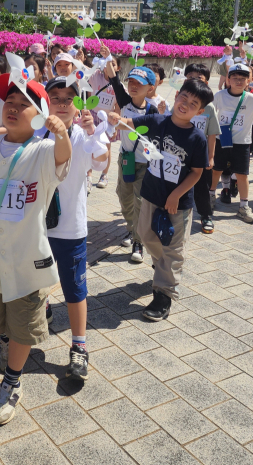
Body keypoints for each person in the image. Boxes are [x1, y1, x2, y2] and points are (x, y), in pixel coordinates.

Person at [0, 72, 72, 425]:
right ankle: (6, 339)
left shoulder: (42, 152)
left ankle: (12, 381)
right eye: (9, 102)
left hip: (28, 259)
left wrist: (63, 133)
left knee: (24, 323)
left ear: (39, 114)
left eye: (25, 105)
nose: (14, 108)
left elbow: (62, 159)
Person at [108, 78, 213, 321]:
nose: (185, 105)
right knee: (145, 235)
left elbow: (197, 172)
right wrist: (116, 119)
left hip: (178, 204)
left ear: (200, 111)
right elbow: (129, 124)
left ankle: (164, 294)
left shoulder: (196, 138)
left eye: (193, 103)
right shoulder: (157, 121)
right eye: (183, 98)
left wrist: (176, 194)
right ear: (176, 96)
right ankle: (161, 264)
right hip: (151, 196)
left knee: (173, 250)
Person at [44, 76, 108, 381]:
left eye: (67, 99)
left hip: (70, 228)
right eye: (54, 97)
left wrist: (93, 132)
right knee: (36, 282)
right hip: (37, 228)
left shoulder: (84, 136)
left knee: (74, 288)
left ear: (77, 104)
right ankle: (39, 317)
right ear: (45, 100)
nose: (61, 104)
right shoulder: (36, 134)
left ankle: (79, 345)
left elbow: (100, 163)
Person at [103, 57, 158, 263]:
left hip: (144, 163)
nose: (133, 87)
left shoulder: (153, 110)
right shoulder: (124, 101)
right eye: (131, 82)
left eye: (139, 84)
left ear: (150, 88)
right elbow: (113, 78)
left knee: (139, 201)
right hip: (125, 160)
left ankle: (138, 241)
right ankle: (130, 228)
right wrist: (108, 57)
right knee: (124, 197)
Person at [210, 63, 253, 225]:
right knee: (217, 169)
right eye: (235, 78)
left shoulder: (252, 99)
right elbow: (209, 112)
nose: (239, 81)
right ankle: (210, 196)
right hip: (221, 140)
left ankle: (244, 206)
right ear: (228, 80)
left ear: (249, 81)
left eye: (243, 78)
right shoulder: (220, 95)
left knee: (242, 174)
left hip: (242, 143)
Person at [181, 63, 221, 234]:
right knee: (179, 185)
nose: (194, 81)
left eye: (200, 79)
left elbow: (212, 134)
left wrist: (210, 157)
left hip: (200, 155)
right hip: (180, 155)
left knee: (202, 188)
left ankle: (205, 215)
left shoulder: (209, 107)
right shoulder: (179, 102)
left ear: (207, 82)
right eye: (190, 77)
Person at [89, 44, 118, 189]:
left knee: (107, 148)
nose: (109, 65)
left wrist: (115, 124)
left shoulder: (119, 86)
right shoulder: (95, 77)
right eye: (106, 62)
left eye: (112, 63)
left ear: (117, 68)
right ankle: (88, 176)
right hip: (93, 116)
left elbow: (118, 107)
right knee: (88, 146)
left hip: (107, 121)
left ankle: (104, 175)